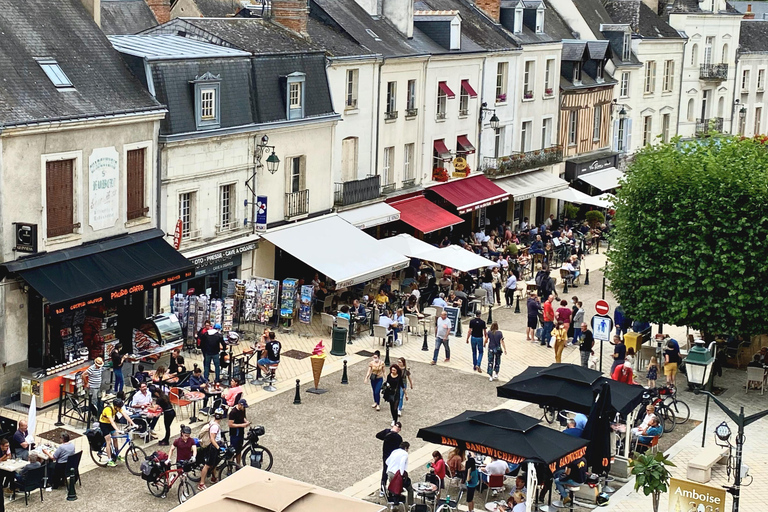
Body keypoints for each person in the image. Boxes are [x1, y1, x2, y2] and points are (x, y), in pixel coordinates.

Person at [99, 398, 136, 466]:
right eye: (119, 407)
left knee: (115, 439)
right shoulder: (108, 409)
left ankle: (116, 454)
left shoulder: (118, 408)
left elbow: (125, 415)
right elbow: (112, 421)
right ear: (115, 406)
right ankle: (109, 460)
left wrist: (133, 424)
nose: (120, 408)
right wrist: (117, 430)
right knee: (108, 441)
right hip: (104, 424)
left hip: (110, 423)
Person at [197, 407, 225, 491]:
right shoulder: (215, 427)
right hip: (213, 446)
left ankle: (214, 477)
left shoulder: (212, 422)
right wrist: (217, 447)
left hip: (215, 445)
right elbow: (212, 438)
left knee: (214, 463)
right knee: (208, 465)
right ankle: (201, 483)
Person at [376, 423, 403, 496]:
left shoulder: (388, 433)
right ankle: (388, 489)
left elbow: (378, 435)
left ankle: (384, 489)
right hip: (391, 457)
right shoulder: (397, 437)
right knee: (390, 472)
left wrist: (389, 431)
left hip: (388, 456)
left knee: (387, 472)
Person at [228, 399, 250, 466]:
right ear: (239, 405)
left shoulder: (242, 410)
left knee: (239, 450)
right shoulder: (233, 412)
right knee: (232, 450)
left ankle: (238, 464)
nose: (244, 408)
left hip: (241, 432)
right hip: (235, 434)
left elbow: (243, 417)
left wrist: (246, 422)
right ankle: (230, 466)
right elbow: (230, 424)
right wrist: (242, 425)